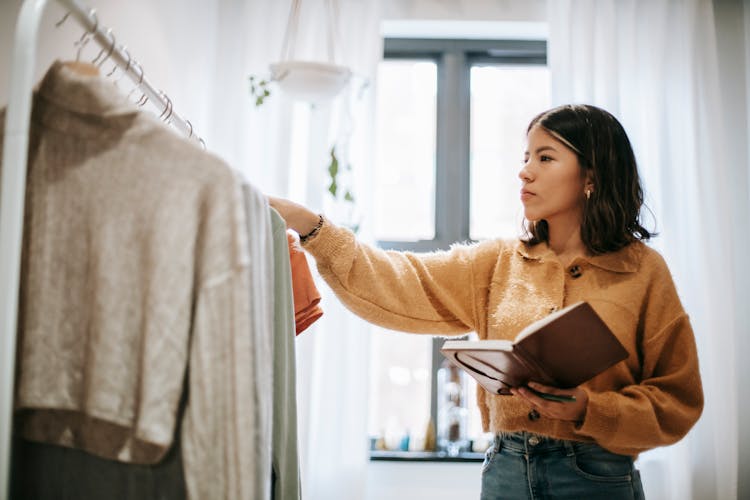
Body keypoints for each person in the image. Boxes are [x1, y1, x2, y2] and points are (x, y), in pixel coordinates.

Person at [269, 104, 703, 499]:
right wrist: (313, 228)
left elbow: (677, 400)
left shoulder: (644, 271)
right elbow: (394, 281)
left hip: (599, 479)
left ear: (592, 176)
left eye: (545, 157)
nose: (525, 172)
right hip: (506, 471)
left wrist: (591, 408)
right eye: (525, 157)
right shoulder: (496, 262)